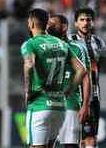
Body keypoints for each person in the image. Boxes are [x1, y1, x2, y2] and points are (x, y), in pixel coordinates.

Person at [21, 8, 86, 148]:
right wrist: (68, 91)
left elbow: (29, 65)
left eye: (28, 21)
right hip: (59, 107)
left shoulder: (30, 44)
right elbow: (81, 70)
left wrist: (28, 91)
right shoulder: (61, 44)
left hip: (39, 105)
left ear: (32, 23)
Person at [47, 14, 91, 148]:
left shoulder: (77, 47)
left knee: (70, 145)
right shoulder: (45, 47)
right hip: (48, 106)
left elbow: (85, 77)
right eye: (48, 23)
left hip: (70, 105)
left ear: (64, 27)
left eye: (53, 23)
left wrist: (85, 105)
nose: (49, 26)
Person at [69, 7, 106, 148]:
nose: (85, 23)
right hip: (73, 96)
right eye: (82, 20)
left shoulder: (99, 43)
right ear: (76, 23)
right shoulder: (69, 41)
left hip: (93, 95)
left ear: (93, 23)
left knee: (91, 138)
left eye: (88, 20)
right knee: (73, 138)